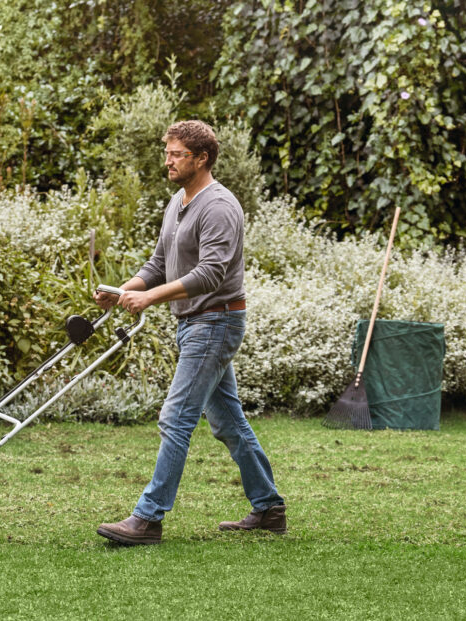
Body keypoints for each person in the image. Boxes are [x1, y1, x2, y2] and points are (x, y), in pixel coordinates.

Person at [94, 120, 286, 546]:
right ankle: (269, 507)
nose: (168, 160)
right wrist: (123, 290)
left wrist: (150, 300)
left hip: (215, 320)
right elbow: (159, 264)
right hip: (195, 323)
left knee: (175, 419)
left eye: (177, 154)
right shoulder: (178, 202)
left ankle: (147, 519)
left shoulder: (219, 206)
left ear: (202, 158)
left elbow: (211, 274)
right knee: (228, 423)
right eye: (168, 152)